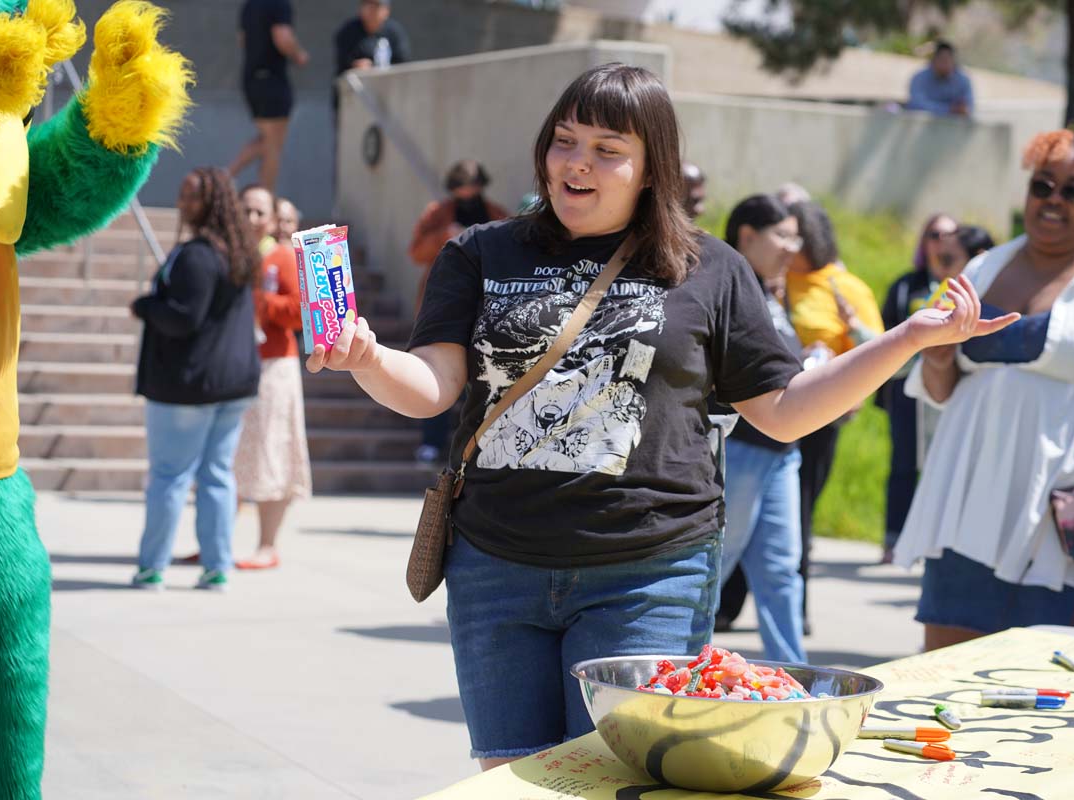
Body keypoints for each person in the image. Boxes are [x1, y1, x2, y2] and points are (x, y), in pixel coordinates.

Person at [306, 63, 1013, 769]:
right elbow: (433, 385)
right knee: (515, 778)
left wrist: (908, 339)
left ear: (651, 169)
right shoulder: (480, 253)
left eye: (607, 150)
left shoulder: (708, 268)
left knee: (618, 778)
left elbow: (787, 410)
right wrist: (369, 359)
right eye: (564, 141)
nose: (577, 163)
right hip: (495, 565)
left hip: (647, 572)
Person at [893, 130, 1074, 651]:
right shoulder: (982, 269)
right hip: (969, 509)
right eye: (1043, 185)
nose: (1054, 199)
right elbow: (942, 389)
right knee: (944, 677)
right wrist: (938, 358)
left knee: (1049, 683)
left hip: (1069, 528)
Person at [131, 168, 262, 592]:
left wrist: (146, 305)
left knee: (170, 475)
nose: (182, 202)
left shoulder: (199, 256)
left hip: (189, 386)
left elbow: (184, 317)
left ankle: (152, 568)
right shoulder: (237, 253)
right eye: (182, 193)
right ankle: (217, 567)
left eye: (191, 196)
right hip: (231, 385)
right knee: (217, 475)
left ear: (211, 203)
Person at [716, 194, 807, 662]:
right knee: (713, 569)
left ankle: (792, 680)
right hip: (743, 449)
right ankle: (674, 672)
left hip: (781, 452)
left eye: (797, 235)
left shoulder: (772, 287)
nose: (794, 246)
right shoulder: (730, 284)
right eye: (784, 235)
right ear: (747, 236)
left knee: (781, 572)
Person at [786, 199, 884, 628]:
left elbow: (875, 352)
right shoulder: (768, 278)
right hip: (761, 407)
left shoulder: (844, 286)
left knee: (800, 508)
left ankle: (796, 604)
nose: (787, 243)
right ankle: (733, 602)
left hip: (820, 412)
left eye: (795, 234)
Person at [407, 160, 510, 464]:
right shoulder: (437, 214)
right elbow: (415, 252)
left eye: (472, 188)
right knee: (435, 373)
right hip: (445, 305)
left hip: (485, 306)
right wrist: (445, 234)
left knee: (478, 381)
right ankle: (431, 443)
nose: (468, 195)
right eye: (461, 190)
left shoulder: (496, 214)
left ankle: (472, 446)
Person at [877, 213, 964, 564]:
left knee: (941, 465)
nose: (941, 242)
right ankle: (894, 539)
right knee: (903, 463)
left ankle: (935, 542)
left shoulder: (964, 284)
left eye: (950, 235)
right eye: (934, 234)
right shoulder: (905, 286)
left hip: (948, 386)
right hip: (906, 387)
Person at [233, 185, 312, 570]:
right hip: (236, 362)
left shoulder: (281, 258)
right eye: (245, 211)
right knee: (231, 456)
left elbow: (301, 312)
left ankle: (268, 544)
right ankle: (219, 541)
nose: (253, 220)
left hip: (273, 363)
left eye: (260, 213)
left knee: (273, 452)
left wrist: (263, 303)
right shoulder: (238, 253)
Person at [229, 0, 309, 193]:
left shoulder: (249, 5)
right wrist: (299, 54)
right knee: (273, 145)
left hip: (252, 80)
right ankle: (261, 196)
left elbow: (242, 39)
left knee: (268, 140)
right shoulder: (280, 4)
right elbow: (282, 36)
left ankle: (228, 177)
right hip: (271, 79)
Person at [333, 0, 409, 112]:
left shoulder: (394, 32)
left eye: (376, 6)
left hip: (386, 96)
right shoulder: (348, 32)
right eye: (367, 5)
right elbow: (342, 63)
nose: (371, 10)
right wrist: (355, 66)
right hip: (354, 98)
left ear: (386, 10)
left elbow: (402, 62)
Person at [906, 41, 973, 117]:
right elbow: (916, 104)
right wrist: (948, 109)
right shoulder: (919, 78)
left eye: (947, 60)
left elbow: (969, 107)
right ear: (933, 60)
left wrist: (962, 109)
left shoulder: (963, 81)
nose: (944, 64)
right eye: (941, 59)